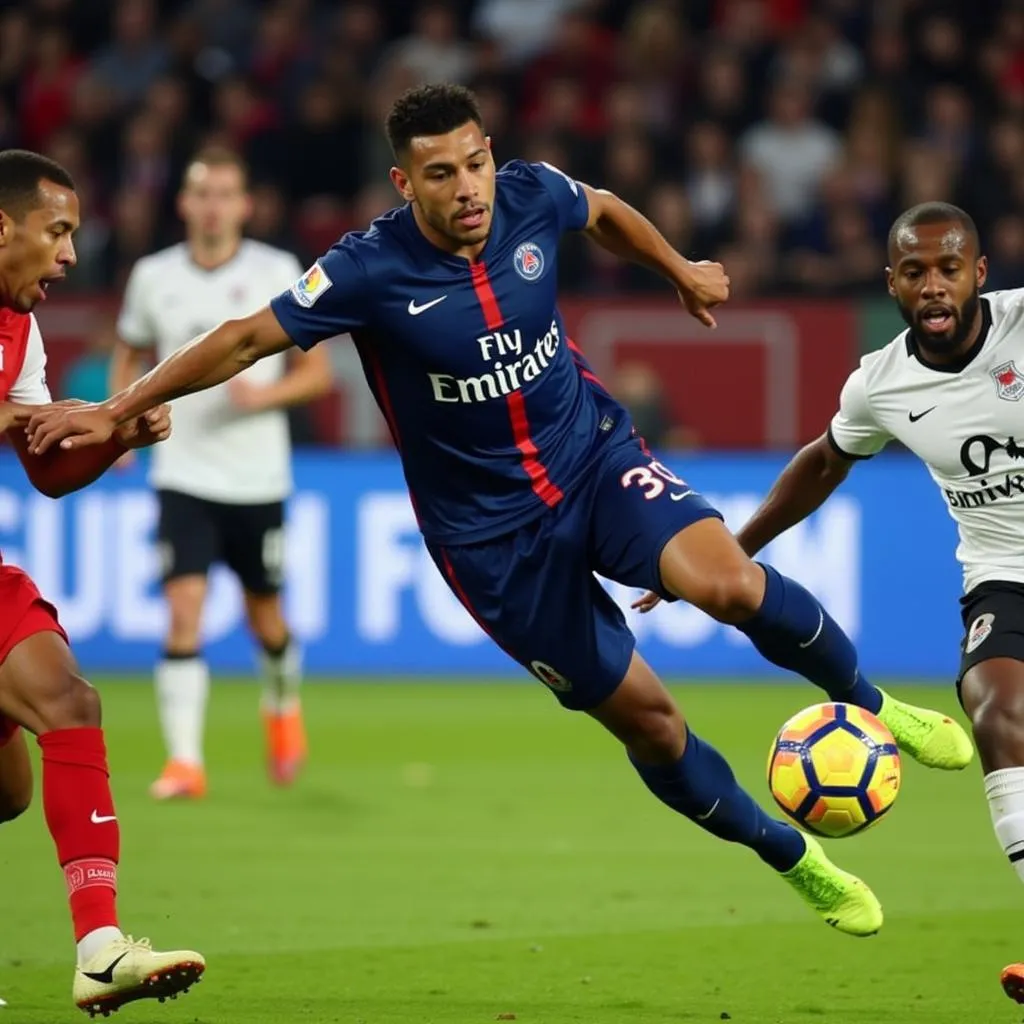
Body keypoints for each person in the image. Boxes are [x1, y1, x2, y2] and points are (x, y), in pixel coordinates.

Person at [26, 85, 974, 939]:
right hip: (491, 545)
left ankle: (872, 702)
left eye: (475, 162)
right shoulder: (365, 269)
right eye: (442, 174)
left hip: (594, 458)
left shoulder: (529, 193)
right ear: (407, 183)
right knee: (651, 722)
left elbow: (600, 210)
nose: (470, 187)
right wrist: (114, 411)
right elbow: (242, 339)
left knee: (723, 581)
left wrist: (680, 268)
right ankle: (795, 858)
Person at [637, 200, 1024, 1002]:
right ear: (891, 284)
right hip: (1002, 571)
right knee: (995, 705)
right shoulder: (881, 383)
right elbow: (821, 465)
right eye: (914, 272)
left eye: (949, 268)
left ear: (979, 274)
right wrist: (726, 551)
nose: (933, 286)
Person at [0, 149, 203, 1014]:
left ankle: (98, 951)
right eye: (58, 232)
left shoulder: (22, 330)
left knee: (56, 722)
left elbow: (42, 468)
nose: (70, 256)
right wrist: (43, 413)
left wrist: (112, 439)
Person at [109, 146, 334, 798]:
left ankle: (283, 710)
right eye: (202, 194)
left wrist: (264, 397)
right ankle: (185, 762)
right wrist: (118, 424)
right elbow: (128, 350)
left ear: (244, 204)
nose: (213, 207)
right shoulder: (153, 276)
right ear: (184, 204)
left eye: (225, 195)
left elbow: (316, 373)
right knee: (184, 612)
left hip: (258, 479)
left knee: (267, 619)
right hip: (182, 474)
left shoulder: (278, 269)